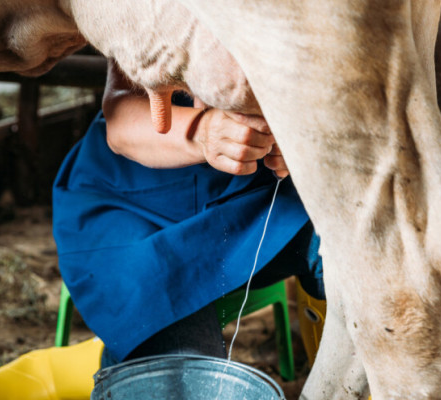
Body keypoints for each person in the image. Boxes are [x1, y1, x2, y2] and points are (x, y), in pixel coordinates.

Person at [52, 61, 324, 369]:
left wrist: (300, 139)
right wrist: (203, 132)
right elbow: (121, 114)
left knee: (358, 250)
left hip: (261, 195)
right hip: (135, 198)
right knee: (177, 369)